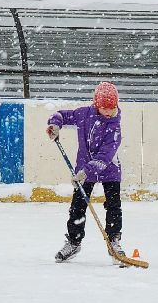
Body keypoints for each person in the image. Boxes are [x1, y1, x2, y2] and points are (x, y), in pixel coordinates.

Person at [47, 81, 124, 261]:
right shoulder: (84, 114)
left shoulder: (114, 127)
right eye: (104, 107)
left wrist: (86, 171)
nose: (108, 112)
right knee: (77, 207)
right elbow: (60, 115)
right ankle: (74, 242)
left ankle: (113, 240)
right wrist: (55, 125)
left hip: (109, 170)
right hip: (84, 169)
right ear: (97, 104)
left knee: (113, 206)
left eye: (112, 108)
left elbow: (105, 156)